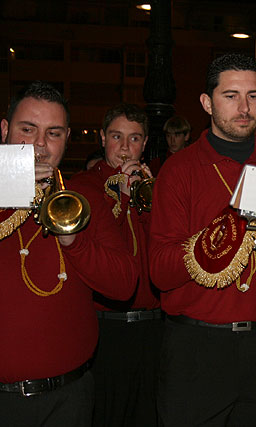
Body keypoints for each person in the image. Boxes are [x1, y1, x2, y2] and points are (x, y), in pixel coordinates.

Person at [149, 53, 256, 426]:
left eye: (254, 96)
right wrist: (222, 236)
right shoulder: (179, 171)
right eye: (231, 96)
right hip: (197, 348)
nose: (244, 108)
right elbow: (161, 273)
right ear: (207, 103)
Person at [0, 82, 137, 426]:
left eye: (54, 133)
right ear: (4, 130)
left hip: (69, 398)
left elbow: (124, 284)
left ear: (68, 138)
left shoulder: (81, 197)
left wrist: (74, 240)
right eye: (27, 129)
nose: (40, 146)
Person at [74, 103, 162, 427]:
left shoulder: (156, 185)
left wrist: (150, 201)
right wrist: (123, 198)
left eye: (134, 139)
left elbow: (163, 256)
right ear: (102, 138)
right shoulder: (85, 185)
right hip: (106, 329)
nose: (125, 148)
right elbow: (103, 248)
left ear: (146, 143)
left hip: (153, 327)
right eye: (116, 137)